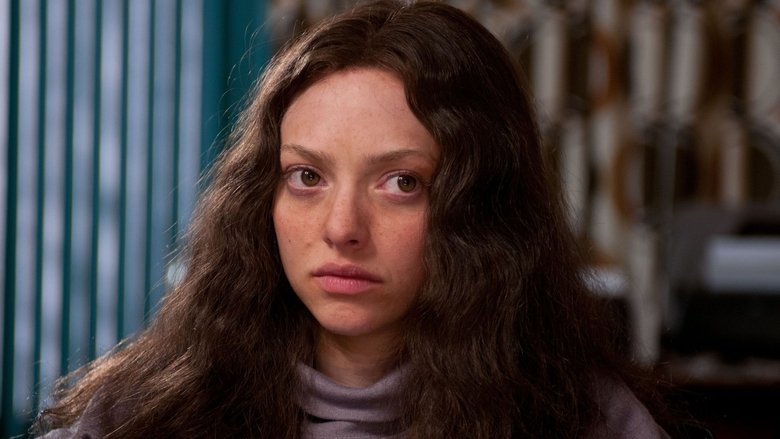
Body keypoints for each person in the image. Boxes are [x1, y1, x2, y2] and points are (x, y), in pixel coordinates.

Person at [34, 1, 674, 437]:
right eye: (306, 177)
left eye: (402, 183)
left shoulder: (586, 420)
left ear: (482, 210)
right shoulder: (145, 411)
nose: (342, 228)